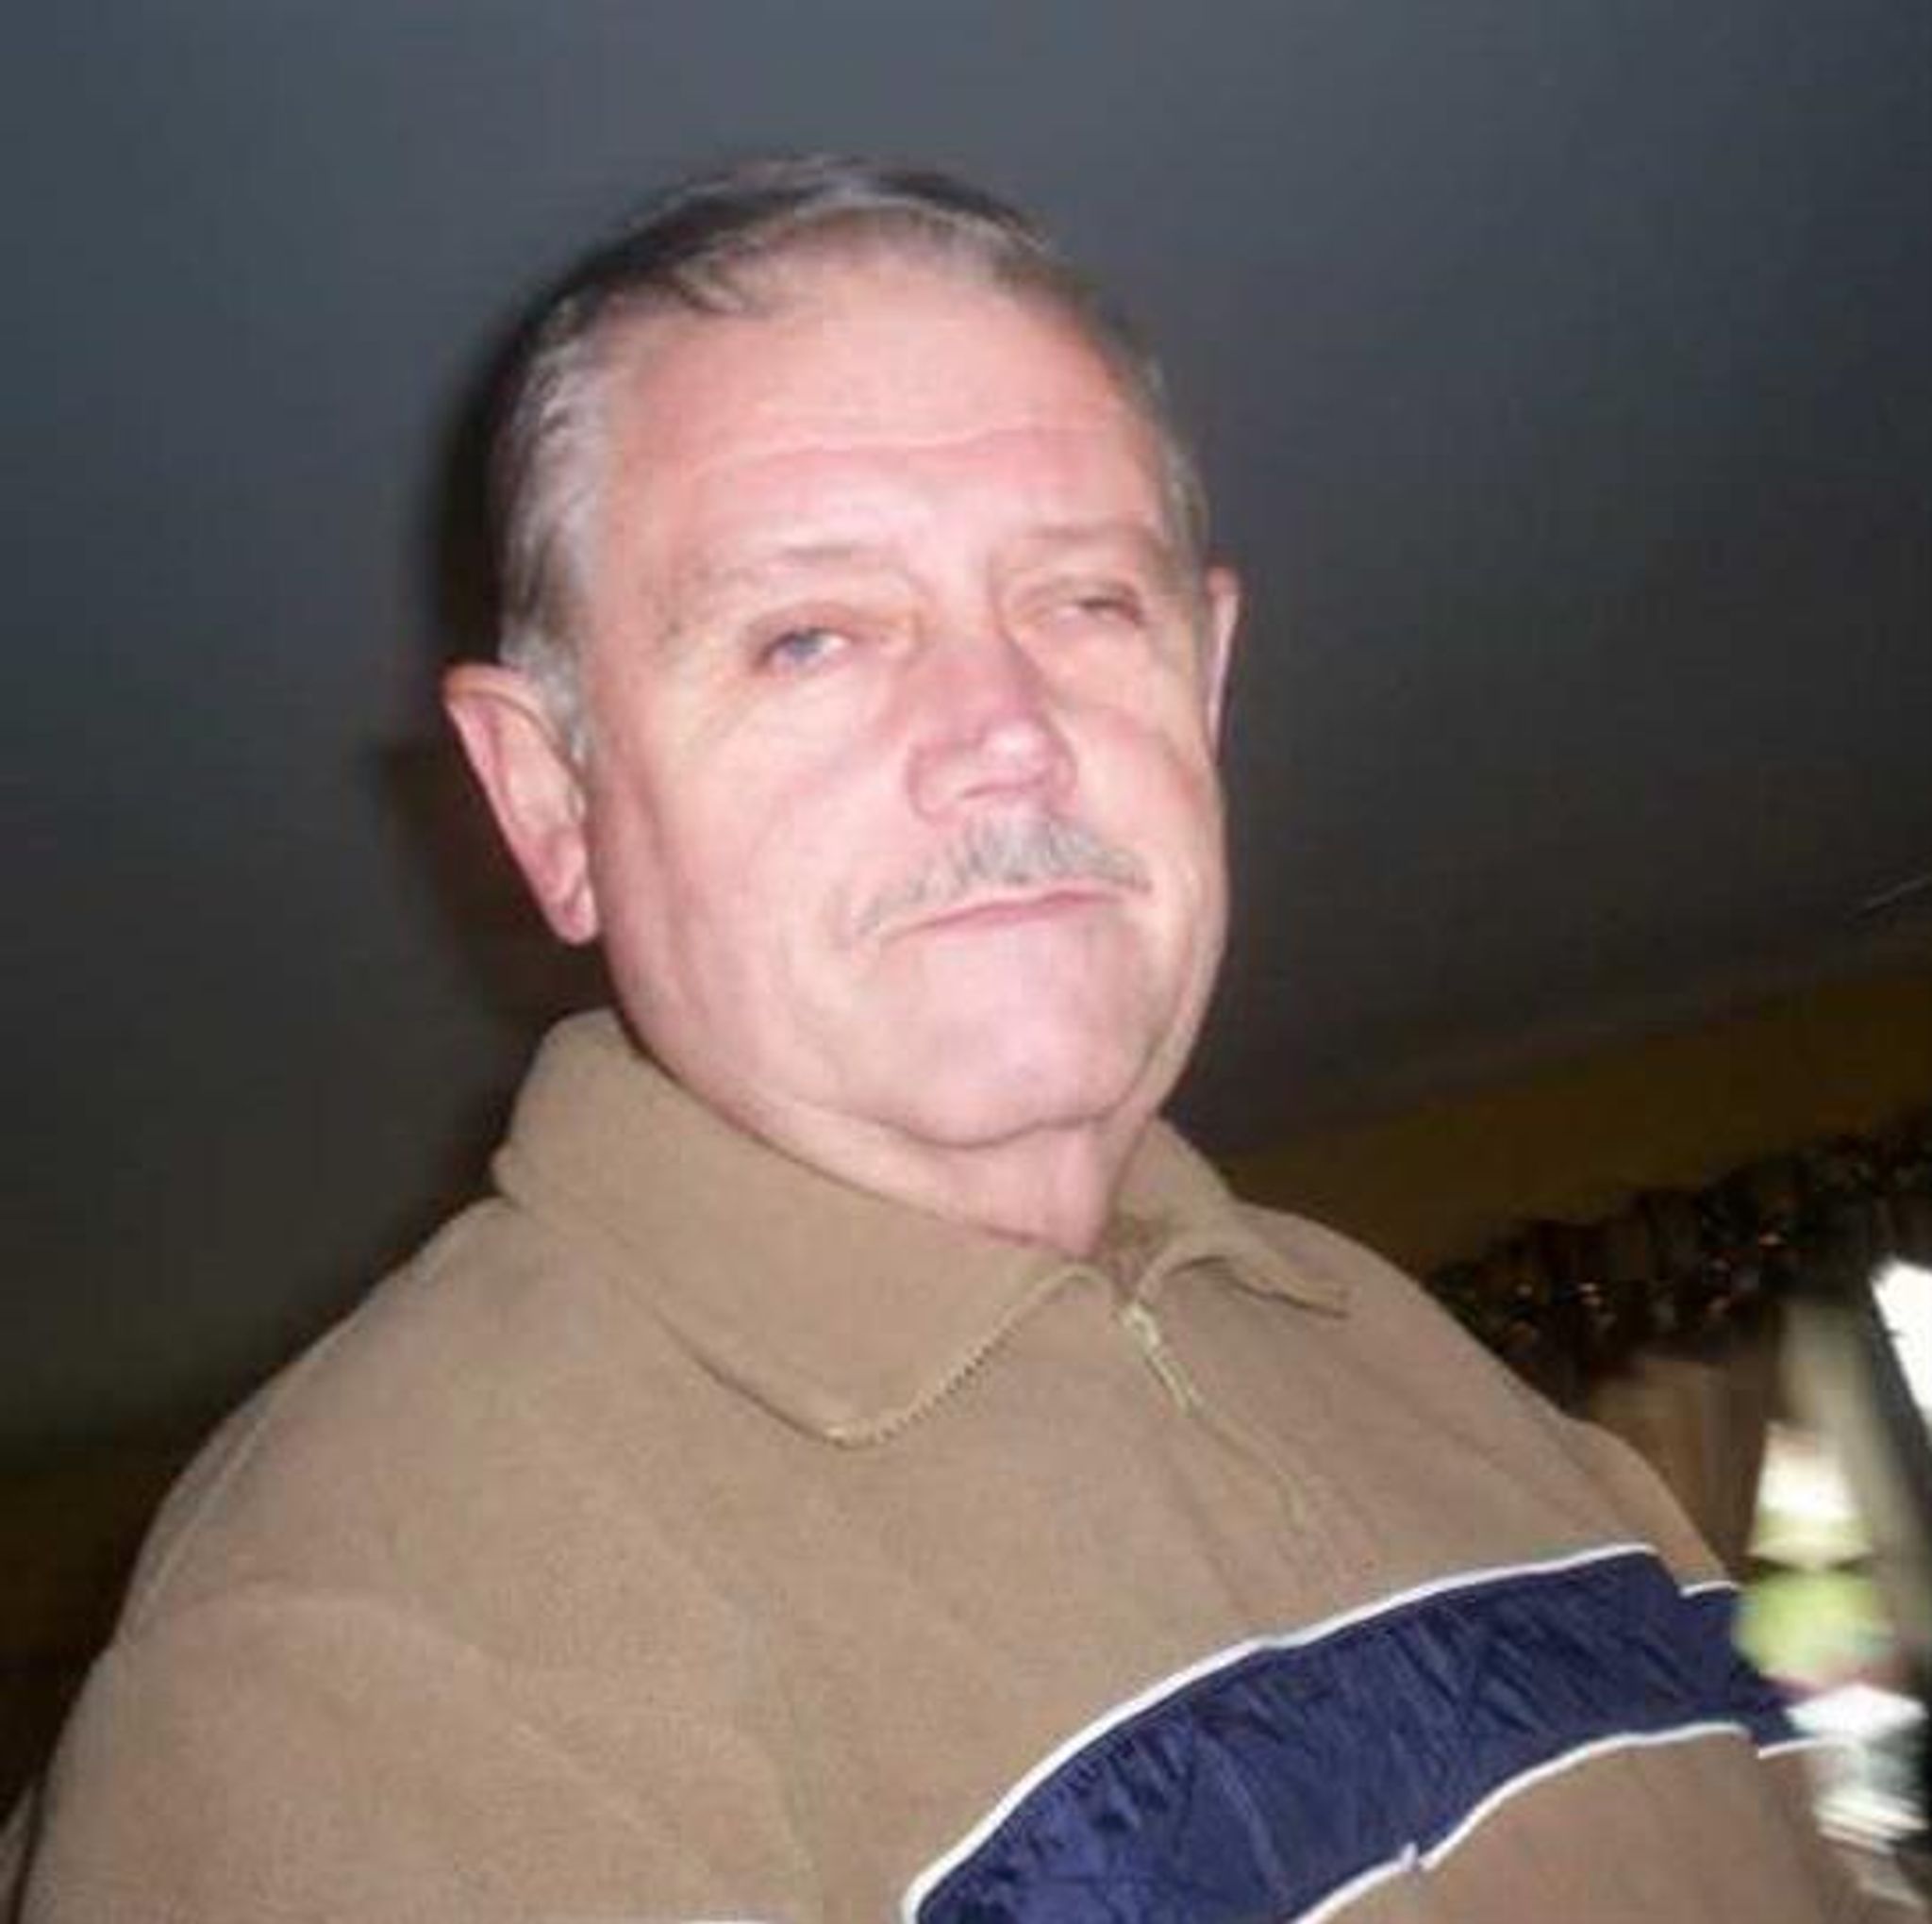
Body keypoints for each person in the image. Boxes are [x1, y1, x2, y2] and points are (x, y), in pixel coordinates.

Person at [9, 157, 1874, 1922]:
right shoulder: (367, 1634)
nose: (1008, 732)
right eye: (808, 637)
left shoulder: (1392, 1341)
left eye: (1086, 601)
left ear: (1207, 683)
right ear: (550, 803)